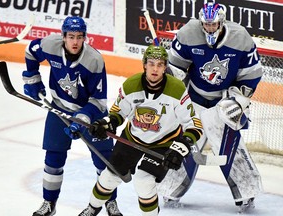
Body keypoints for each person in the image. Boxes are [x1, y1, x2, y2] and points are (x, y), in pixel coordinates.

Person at [77, 44, 203, 216]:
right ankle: (92, 208)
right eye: (151, 63)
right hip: (132, 137)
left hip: (163, 142)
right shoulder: (131, 85)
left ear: (165, 67)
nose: (155, 69)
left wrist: (182, 146)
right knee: (109, 177)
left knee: (143, 181)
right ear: (144, 65)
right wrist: (106, 123)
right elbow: (118, 113)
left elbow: (194, 124)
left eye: (160, 65)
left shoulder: (177, 89)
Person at [162, 0, 264, 213]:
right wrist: (171, 74)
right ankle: (170, 189)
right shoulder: (188, 33)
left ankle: (247, 194)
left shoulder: (240, 38)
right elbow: (176, 68)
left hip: (224, 102)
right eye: (206, 24)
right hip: (194, 99)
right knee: (185, 144)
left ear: (221, 22)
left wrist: (237, 101)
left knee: (230, 148)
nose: (209, 28)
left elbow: (251, 75)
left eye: (213, 24)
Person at [22, 16, 122, 216]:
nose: (75, 42)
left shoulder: (94, 60)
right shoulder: (50, 45)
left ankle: (111, 203)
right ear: (63, 36)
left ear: (85, 37)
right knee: (53, 158)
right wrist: (32, 78)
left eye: (79, 37)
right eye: (70, 37)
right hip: (59, 108)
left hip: (91, 114)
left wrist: (83, 120)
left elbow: (99, 101)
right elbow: (31, 51)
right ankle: (49, 203)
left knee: (104, 162)